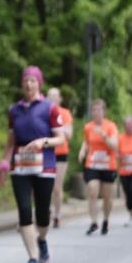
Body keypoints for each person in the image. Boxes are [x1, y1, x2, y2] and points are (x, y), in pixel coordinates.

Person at [0, 66, 66, 263]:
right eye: (26, 80)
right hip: (20, 166)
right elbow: (11, 142)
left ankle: (42, 238)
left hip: (44, 165)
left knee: (43, 214)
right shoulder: (14, 110)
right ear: (22, 84)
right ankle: (33, 258)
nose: (29, 84)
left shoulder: (50, 108)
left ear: (39, 83)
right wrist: (4, 161)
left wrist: (43, 142)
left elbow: (61, 138)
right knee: (25, 211)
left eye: (33, 81)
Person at [78, 99, 118, 235]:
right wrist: (82, 150)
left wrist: (104, 134)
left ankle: (106, 220)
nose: (96, 113)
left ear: (103, 111)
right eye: (94, 110)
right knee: (92, 190)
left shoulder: (111, 126)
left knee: (107, 197)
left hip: (108, 165)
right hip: (93, 164)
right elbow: (86, 141)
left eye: (99, 110)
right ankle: (94, 222)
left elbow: (114, 145)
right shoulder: (88, 127)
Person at [46, 87, 74, 228]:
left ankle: (57, 215)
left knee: (57, 187)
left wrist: (57, 126)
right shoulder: (44, 111)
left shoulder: (65, 113)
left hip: (61, 153)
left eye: (55, 96)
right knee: (45, 186)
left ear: (60, 99)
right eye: (49, 96)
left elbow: (69, 135)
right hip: (46, 152)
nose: (52, 98)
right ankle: (46, 212)